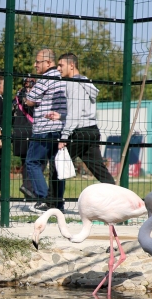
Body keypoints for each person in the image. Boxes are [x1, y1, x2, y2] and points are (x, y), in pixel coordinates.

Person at [46, 53, 115, 201]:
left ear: (72, 65)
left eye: (60, 65)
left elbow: (75, 114)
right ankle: (120, 200)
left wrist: (64, 136)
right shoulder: (85, 81)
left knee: (57, 164)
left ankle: (51, 203)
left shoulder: (72, 83)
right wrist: (61, 116)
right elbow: (81, 112)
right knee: (99, 170)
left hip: (80, 132)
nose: (58, 68)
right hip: (91, 130)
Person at [24, 48, 67, 213]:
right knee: (57, 167)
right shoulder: (63, 78)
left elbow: (29, 101)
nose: (35, 65)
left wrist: (29, 98)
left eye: (38, 62)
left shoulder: (45, 78)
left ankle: (43, 199)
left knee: (32, 161)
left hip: (44, 128)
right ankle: (58, 203)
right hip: (60, 128)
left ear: (49, 63)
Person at [12, 78, 38, 199]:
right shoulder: (33, 96)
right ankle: (29, 188)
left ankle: (28, 191)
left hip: (18, 132)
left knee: (26, 162)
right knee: (35, 161)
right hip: (30, 131)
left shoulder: (16, 97)